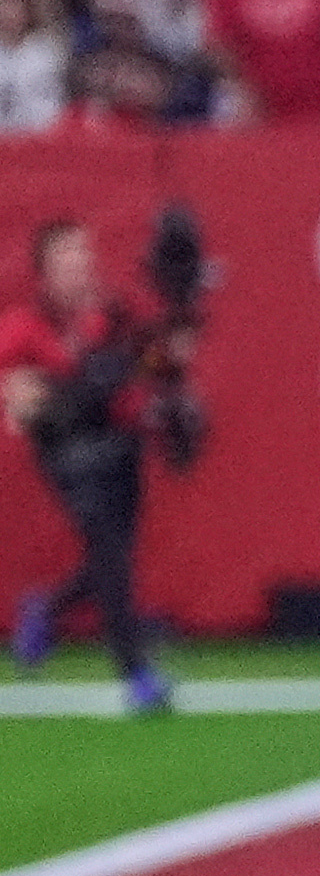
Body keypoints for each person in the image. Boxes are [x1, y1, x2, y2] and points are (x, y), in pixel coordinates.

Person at [3, 217, 182, 711]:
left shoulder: (114, 313)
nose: (79, 264)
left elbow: (152, 360)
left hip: (120, 445)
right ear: (45, 271)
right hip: (71, 455)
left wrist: (159, 367)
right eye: (66, 256)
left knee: (112, 559)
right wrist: (36, 396)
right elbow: (20, 399)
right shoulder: (26, 326)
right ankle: (136, 671)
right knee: (108, 550)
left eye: (83, 252)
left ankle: (46, 610)